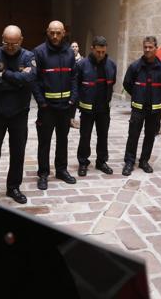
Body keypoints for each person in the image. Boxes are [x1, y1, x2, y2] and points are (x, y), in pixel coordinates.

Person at [0, 25, 36, 211]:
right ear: (2, 39)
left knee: (18, 152)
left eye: (14, 43)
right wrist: (17, 80)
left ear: (21, 40)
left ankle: (13, 187)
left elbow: (29, 80)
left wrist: (4, 74)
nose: (10, 47)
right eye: (6, 43)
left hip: (20, 113)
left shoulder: (28, 56)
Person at [32, 20, 78, 190]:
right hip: (47, 108)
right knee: (44, 142)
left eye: (58, 33)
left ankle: (61, 170)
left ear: (64, 33)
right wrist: (41, 102)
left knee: (63, 140)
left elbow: (74, 77)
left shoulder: (69, 53)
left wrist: (73, 99)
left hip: (65, 106)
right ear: (47, 32)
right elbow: (34, 80)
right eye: (52, 32)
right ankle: (43, 174)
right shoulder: (39, 52)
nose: (55, 36)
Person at [122, 36, 161, 176]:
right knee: (133, 135)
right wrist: (138, 94)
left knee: (150, 135)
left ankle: (144, 161)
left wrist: (155, 97)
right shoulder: (135, 66)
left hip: (154, 110)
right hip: (138, 108)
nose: (147, 50)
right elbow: (127, 84)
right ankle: (129, 162)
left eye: (150, 47)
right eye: (145, 47)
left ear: (156, 48)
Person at [76, 36, 117, 176]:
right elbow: (76, 85)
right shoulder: (82, 65)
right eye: (98, 51)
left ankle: (101, 161)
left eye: (103, 52)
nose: (100, 55)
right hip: (87, 109)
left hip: (104, 108)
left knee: (103, 136)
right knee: (85, 136)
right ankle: (83, 162)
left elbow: (112, 83)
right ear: (92, 48)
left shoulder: (111, 65)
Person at [69, 41, 83, 129]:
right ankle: (71, 120)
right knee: (72, 103)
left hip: (80, 85)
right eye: (73, 46)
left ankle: (80, 120)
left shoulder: (82, 59)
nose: (74, 48)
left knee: (80, 103)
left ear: (78, 48)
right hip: (70, 85)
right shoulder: (68, 59)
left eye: (76, 46)